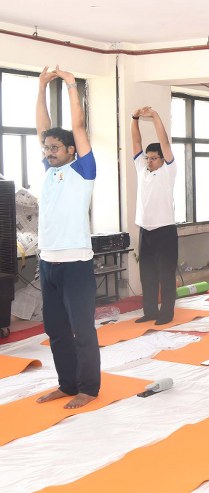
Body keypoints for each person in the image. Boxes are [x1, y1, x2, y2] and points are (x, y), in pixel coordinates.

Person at [34, 66, 100, 410]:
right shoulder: (50, 171)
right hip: (48, 263)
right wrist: (42, 86)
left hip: (75, 264)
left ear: (73, 150)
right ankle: (67, 383)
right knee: (56, 330)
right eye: (47, 148)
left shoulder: (82, 171)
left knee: (82, 330)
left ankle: (89, 388)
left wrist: (73, 85)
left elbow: (77, 127)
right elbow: (42, 128)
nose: (49, 150)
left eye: (56, 147)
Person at [130, 106, 178, 325]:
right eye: (147, 158)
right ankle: (150, 311)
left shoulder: (168, 171)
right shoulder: (142, 171)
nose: (149, 161)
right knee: (147, 275)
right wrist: (134, 118)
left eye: (153, 158)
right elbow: (136, 144)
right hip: (146, 231)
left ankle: (166, 313)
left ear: (162, 159)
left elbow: (165, 142)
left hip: (165, 231)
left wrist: (156, 116)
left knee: (165, 275)